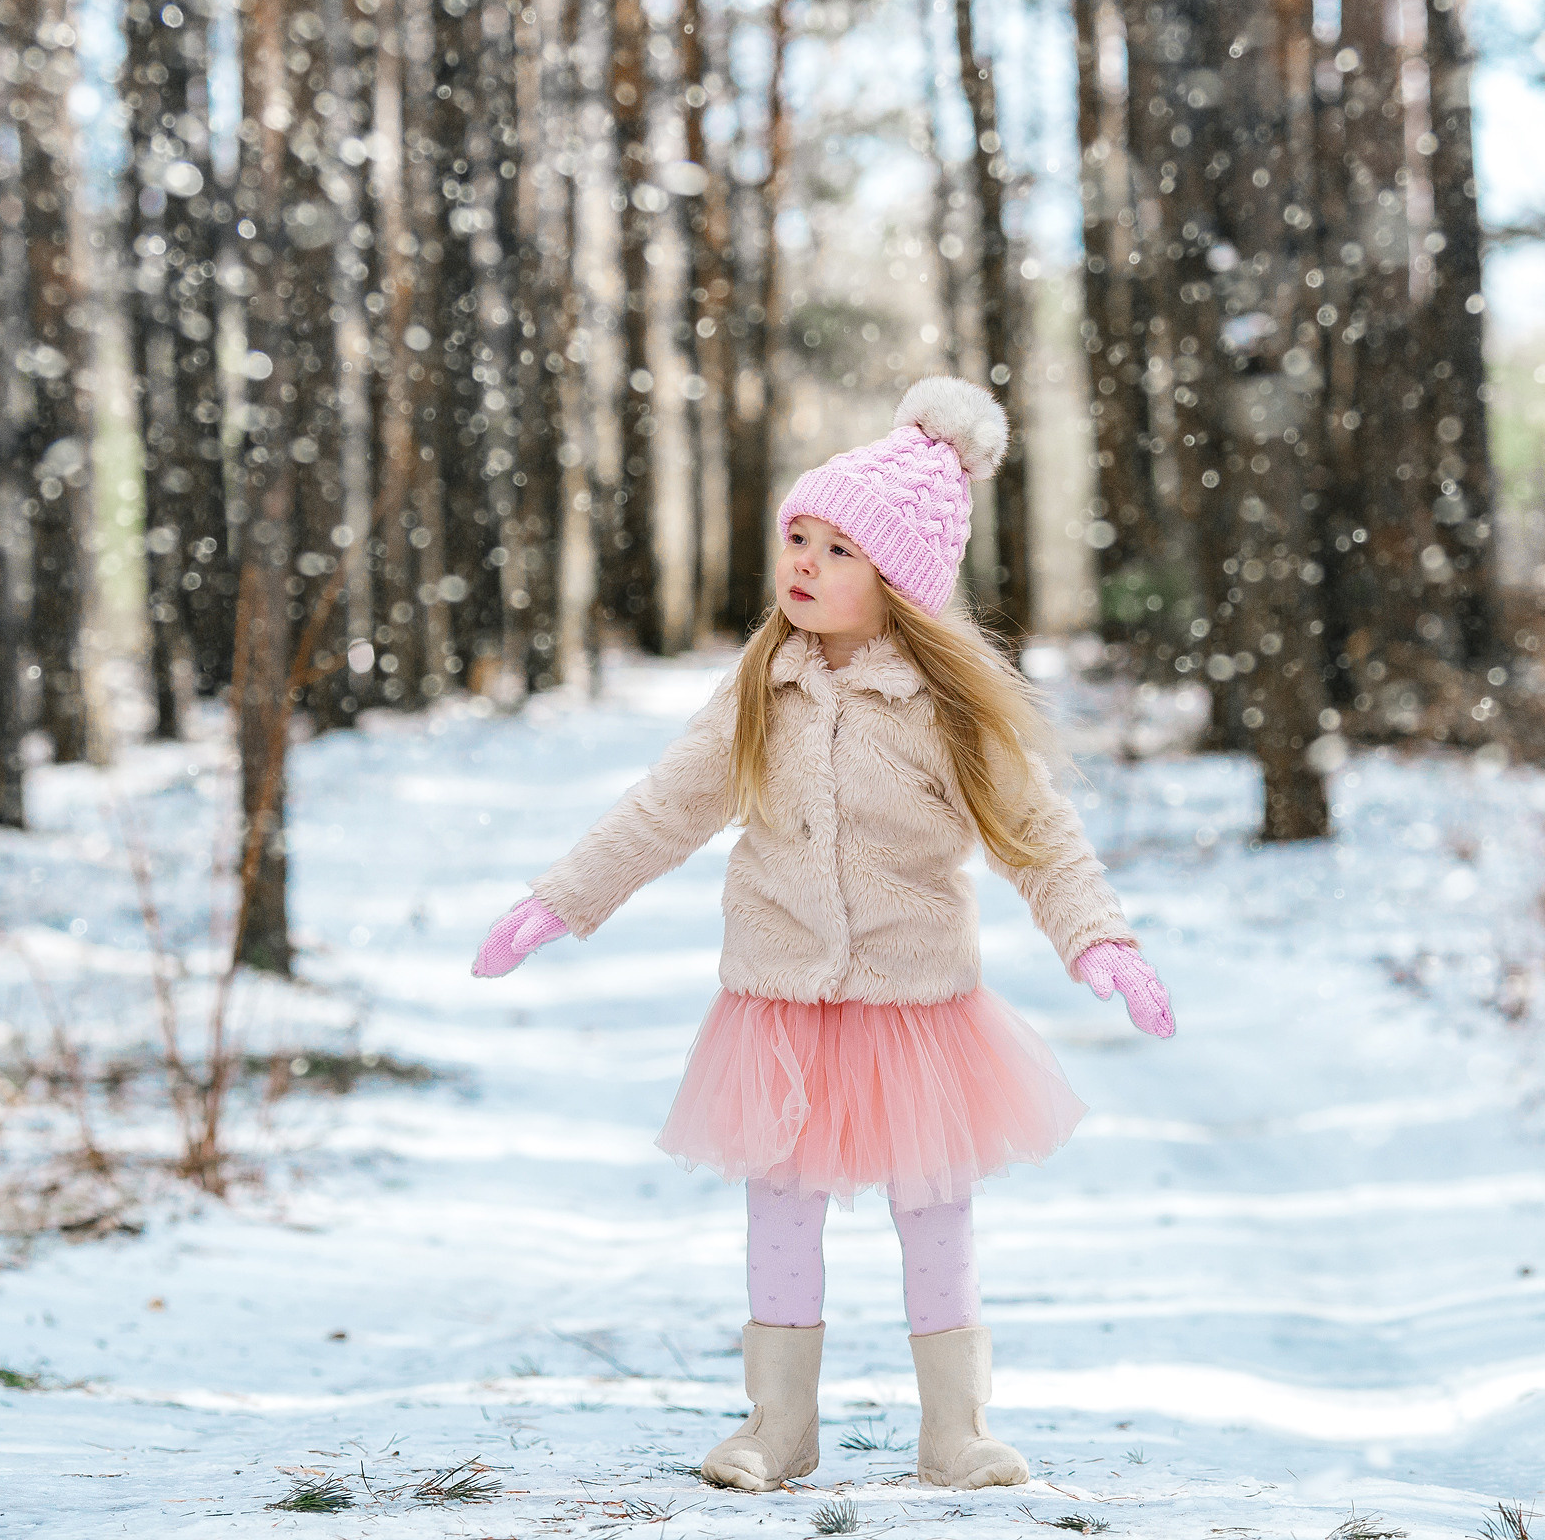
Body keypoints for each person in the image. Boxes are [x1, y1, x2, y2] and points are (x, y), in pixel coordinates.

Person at [471, 377, 1174, 1493]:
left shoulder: (949, 714)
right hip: (781, 999)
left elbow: (1040, 839)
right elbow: (665, 807)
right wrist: (561, 900)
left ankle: (957, 1430)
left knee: (934, 1209)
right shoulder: (764, 685)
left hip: (915, 1007)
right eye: (798, 534)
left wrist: (1103, 942)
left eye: (838, 547)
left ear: (897, 579)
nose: (802, 561)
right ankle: (777, 1427)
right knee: (782, 1207)